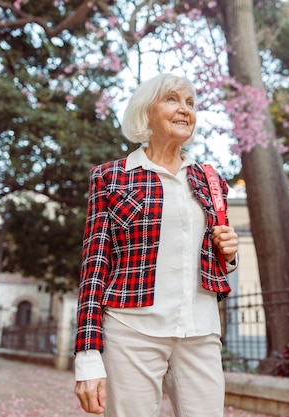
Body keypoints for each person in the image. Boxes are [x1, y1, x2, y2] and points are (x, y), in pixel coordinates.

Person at [73, 73, 239, 417]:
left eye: (190, 103)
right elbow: (94, 270)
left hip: (200, 329)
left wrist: (229, 253)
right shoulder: (111, 176)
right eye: (172, 100)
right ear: (145, 112)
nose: (185, 110)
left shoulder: (209, 179)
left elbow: (215, 261)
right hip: (132, 329)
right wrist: (87, 357)